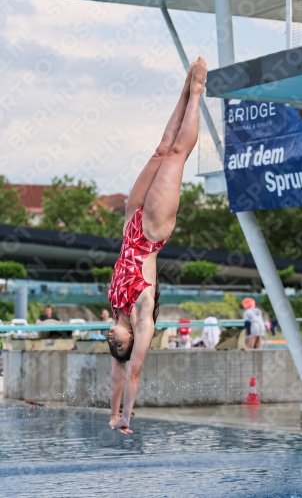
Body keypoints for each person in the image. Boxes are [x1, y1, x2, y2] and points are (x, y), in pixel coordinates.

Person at [107, 57, 207, 435]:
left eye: (110, 344)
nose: (110, 340)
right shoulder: (140, 316)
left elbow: (114, 375)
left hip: (132, 217)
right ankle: (196, 93)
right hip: (151, 231)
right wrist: (127, 419)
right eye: (117, 344)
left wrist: (112, 413)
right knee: (178, 154)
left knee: (161, 150)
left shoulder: (114, 304)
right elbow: (130, 372)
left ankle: (184, 88)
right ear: (130, 340)